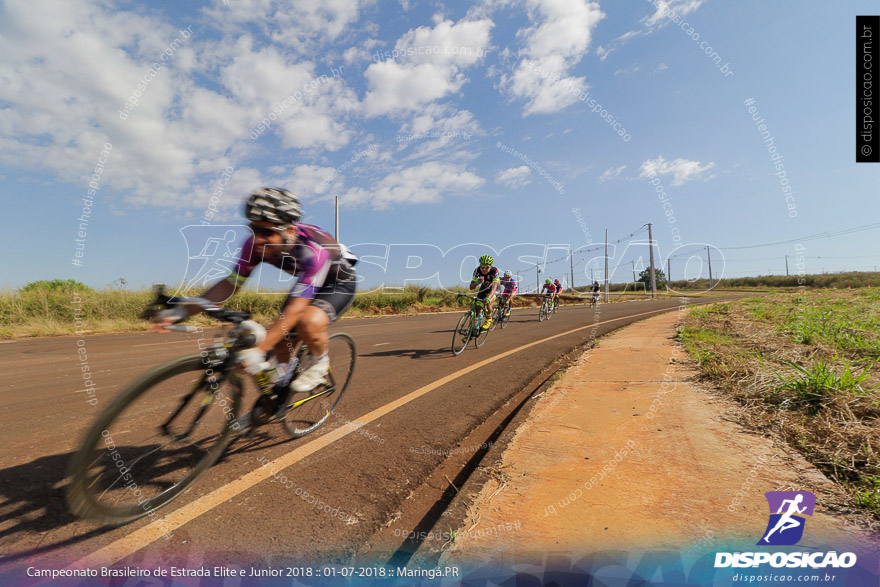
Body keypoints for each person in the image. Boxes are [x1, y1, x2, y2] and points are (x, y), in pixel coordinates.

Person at [152, 187, 357, 396]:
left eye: (267, 232)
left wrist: (259, 351)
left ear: (289, 230)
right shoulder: (254, 245)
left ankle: (320, 363)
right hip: (308, 282)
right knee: (280, 343)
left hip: (337, 284)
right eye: (253, 229)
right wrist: (180, 312)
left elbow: (296, 309)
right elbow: (229, 285)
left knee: (307, 323)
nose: (257, 239)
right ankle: (278, 391)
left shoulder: (315, 250)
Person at [469, 254, 500, 330]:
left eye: (487, 267)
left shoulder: (494, 271)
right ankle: (477, 325)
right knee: (477, 306)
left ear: (490, 266)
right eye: (482, 266)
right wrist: (477, 282)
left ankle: (489, 319)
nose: (484, 269)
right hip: (484, 288)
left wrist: (489, 297)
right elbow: (471, 287)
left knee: (488, 302)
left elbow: (495, 286)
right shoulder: (477, 270)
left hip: (494, 289)